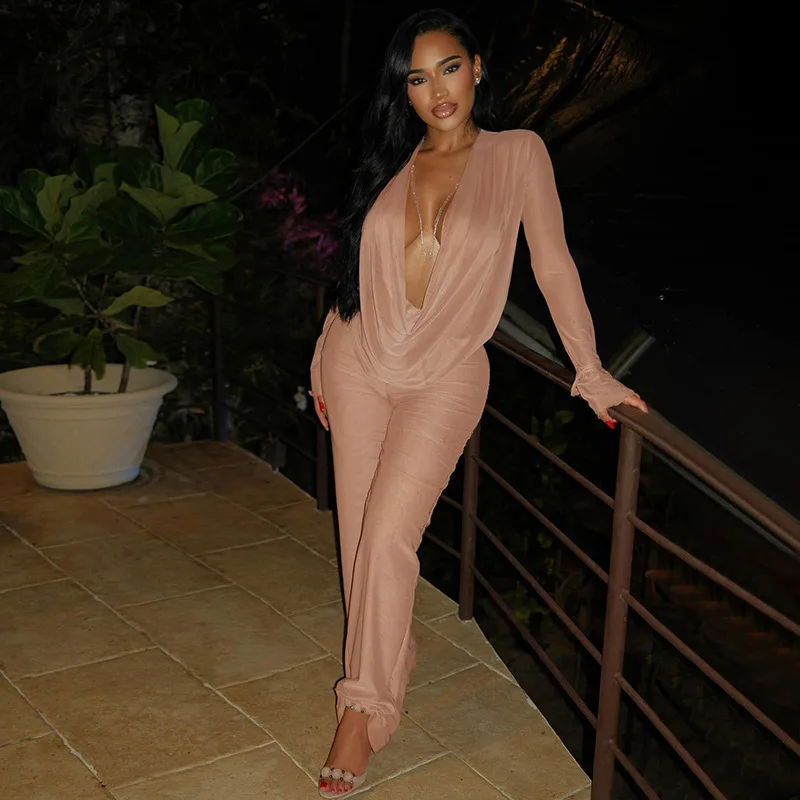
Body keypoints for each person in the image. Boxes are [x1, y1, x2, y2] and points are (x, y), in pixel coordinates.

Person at [308, 8, 648, 796]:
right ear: (404, 92)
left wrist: (589, 367)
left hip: (446, 375)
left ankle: (363, 708)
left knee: (389, 535)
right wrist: (324, 354)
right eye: (417, 78)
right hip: (358, 359)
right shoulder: (392, 160)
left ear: (478, 69)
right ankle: (383, 663)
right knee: (358, 538)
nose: (437, 89)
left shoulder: (518, 153)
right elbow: (355, 270)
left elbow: (553, 264)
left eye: (450, 67)